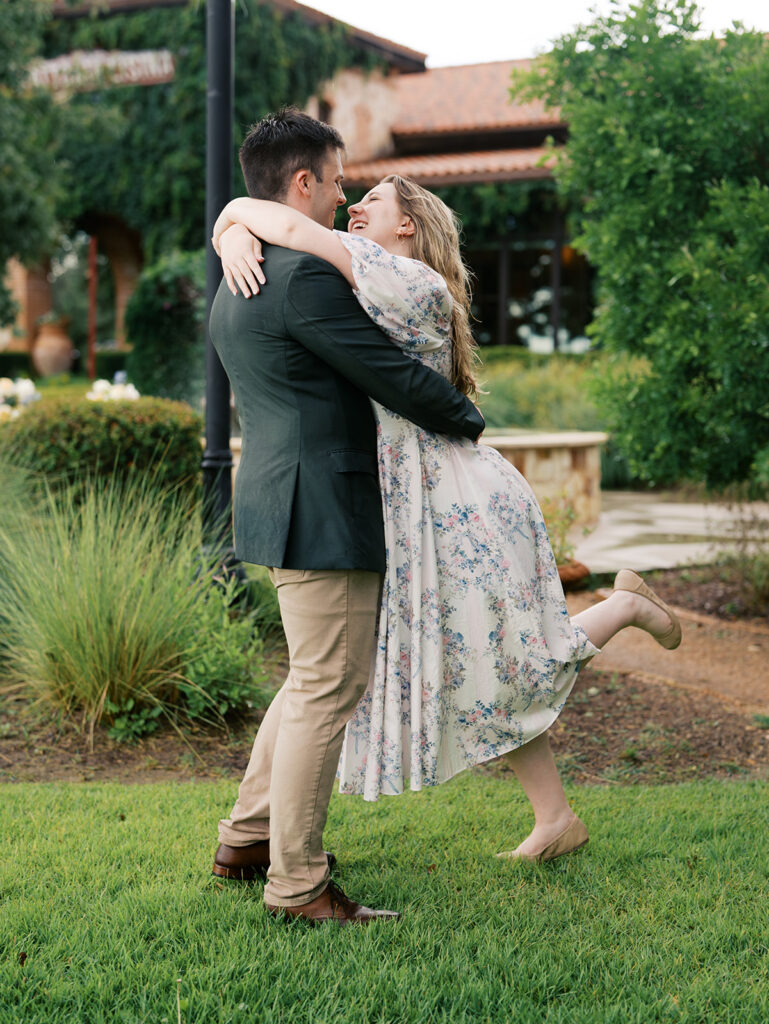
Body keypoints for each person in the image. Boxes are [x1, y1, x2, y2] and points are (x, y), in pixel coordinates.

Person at [214, 172, 682, 866]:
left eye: (373, 200)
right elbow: (287, 232)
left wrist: (230, 219)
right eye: (352, 195)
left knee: (498, 654)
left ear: (408, 226)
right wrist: (231, 234)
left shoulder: (406, 282)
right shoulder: (364, 277)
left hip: (452, 499)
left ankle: (619, 608)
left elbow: (289, 225)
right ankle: (555, 817)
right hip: (408, 498)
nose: (354, 206)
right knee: (481, 658)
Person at [207, 110, 485, 927]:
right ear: (301, 183)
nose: (338, 195)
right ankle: (298, 883)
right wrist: (468, 422)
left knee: (307, 682)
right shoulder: (304, 275)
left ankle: (247, 837)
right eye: (333, 180)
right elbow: (388, 375)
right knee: (328, 689)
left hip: (280, 497)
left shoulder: (242, 272)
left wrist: (231, 221)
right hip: (322, 504)